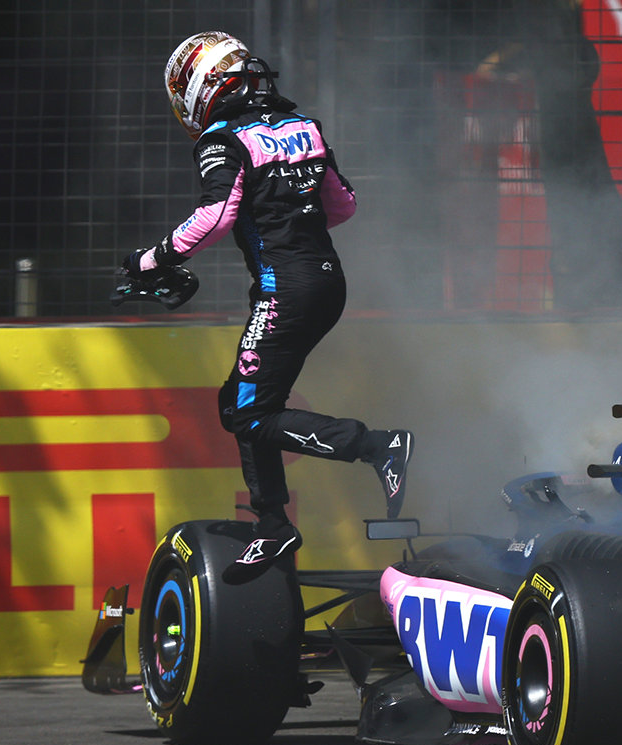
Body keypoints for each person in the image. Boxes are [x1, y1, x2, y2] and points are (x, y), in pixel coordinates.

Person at [120, 32, 414, 584]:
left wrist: (149, 259)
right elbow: (343, 206)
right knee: (245, 400)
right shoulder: (305, 127)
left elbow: (215, 217)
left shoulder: (222, 139)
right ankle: (272, 524)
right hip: (328, 284)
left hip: (285, 289)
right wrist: (286, 210)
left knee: (246, 413)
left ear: (200, 91)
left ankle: (376, 446)